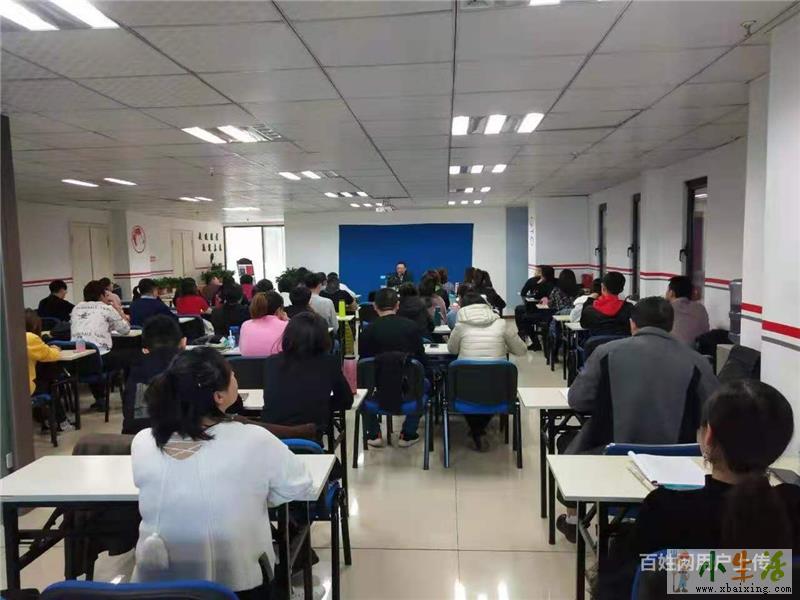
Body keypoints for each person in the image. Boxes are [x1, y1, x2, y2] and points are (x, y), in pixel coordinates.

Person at [131, 347, 314, 599]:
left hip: (157, 588)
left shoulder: (144, 441)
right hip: (239, 585)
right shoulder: (253, 439)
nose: (235, 377)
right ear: (218, 396)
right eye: (232, 374)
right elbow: (300, 485)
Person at [599, 380, 800, 599]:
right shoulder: (794, 506)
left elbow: (624, 587)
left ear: (708, 435)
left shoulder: (665, 510)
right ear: (781, 444)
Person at [558, 297, 719, 540]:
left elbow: (577, 400)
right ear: (671, 325)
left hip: (609, 458)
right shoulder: (697, 361)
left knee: (565, 441)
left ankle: (573, 521)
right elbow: (715, 410)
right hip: (675, 469)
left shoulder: (606, 353)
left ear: (632, 323)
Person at [447, 292, 527, 450]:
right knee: (490, 392)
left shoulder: (460, 326)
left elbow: (452, 350)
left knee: (467, 391)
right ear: (486, 306)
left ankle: (477, 430)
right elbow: (521, 350)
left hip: (465, 388)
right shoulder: (501, 324)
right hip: (497, 388)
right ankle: (479, 430)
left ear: (463, 308)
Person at [262, 312, 354, 435]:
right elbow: (346, 401)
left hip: (272, 434)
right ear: (323, 337)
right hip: (310, 433)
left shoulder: (271, 362)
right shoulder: (329, 362)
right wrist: (322, 405)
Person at [358, 288, 426, 447]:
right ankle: (408, 434)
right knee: (424, 382)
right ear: (397, 305)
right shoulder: (412, 327)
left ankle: (373, 433)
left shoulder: (367, 331)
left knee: (361, 384)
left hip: (376, 389)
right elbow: (421, 358)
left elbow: (364, 365)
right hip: (408, 389)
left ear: (375, 306)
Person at [70, 280, 131, 410]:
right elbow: (125, 330)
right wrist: (117, 308)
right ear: (101, 295)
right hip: (100, 359)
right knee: (130, 357)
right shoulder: (106, 308)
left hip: (78, 359)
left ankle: (100, 399)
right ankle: (130, 396)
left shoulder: (76, 308)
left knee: (94, 355)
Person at [122, 315, 186, 435]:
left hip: (134, 437)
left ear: (145, 346)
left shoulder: (135, 368)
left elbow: (128, 409)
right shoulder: (188, 365)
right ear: (182, 342)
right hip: (181, 438)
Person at [24, 309, 70, 432]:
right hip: (25, 388)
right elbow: (51, 355)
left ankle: (44, 420)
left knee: (44, 377)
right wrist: (56, 349)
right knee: (50, 383)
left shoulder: (8, 337)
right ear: (35, 324)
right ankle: (61, 422)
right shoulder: (30, 338)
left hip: (10, 386)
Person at [579, 271, 634, 335]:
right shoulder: (629, 308)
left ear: (603, 287)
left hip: (596, 341)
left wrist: (590, 300)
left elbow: (584, 325)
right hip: (624, 341)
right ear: (621, 290)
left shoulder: (590, 310)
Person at [238, 291, 288, 357]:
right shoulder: (286, 326)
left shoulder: (245, 325)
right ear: (279, 310)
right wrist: (287, 321)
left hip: (247, 363)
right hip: (277, 363)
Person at [666, 275, 710, 345]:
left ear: (671, 293)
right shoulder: (700, 308)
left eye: (667, 290)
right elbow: (706, 332)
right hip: (695, 350)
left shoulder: (667, 309)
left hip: (671, 349)